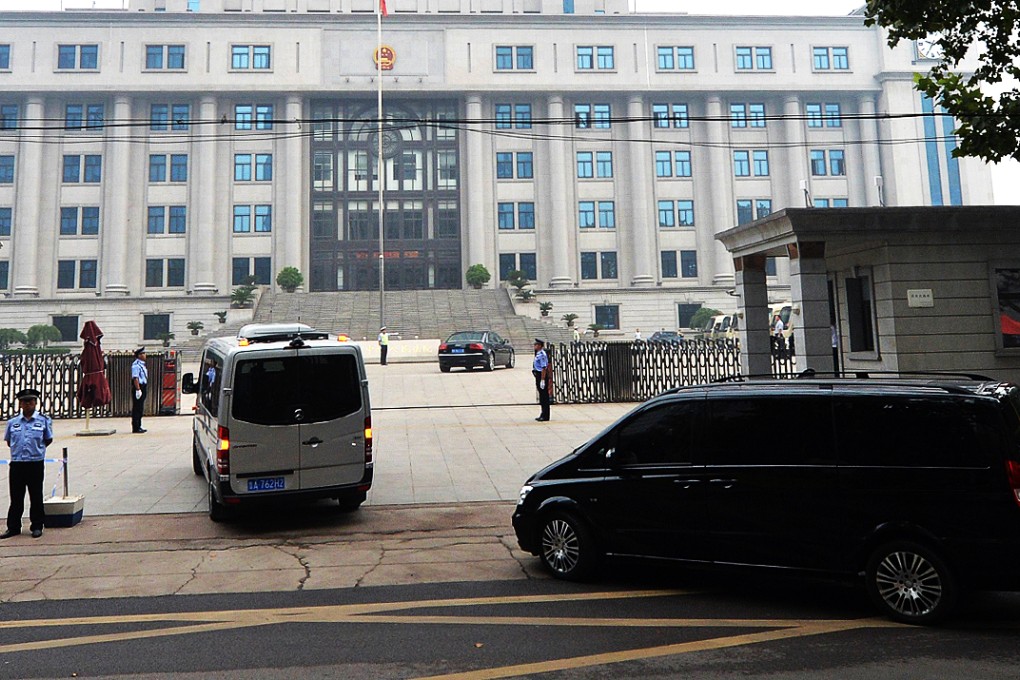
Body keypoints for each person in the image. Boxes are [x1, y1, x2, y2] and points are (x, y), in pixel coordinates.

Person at [2, 388, 53, 539]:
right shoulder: (13, 422)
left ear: (36, 402)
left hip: (35, 463)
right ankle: (13, 527)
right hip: (17, 464)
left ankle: (37, 526)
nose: (28, 404)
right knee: (16, 497)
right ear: (20, 404)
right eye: (24, 401)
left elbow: (47, 439)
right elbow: (9, 441)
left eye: (31, 401)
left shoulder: (43, 420)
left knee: (36, 496)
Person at [532, 338, 551, 422]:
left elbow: (543, 368)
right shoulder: (538, 353)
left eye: (536, 345)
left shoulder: (542, 354)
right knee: (542, 396)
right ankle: (543, 413)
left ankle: (545, 415)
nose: (534, 346)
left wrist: (542, 380)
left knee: (544, 397)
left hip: (541, 375)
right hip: (538, 375)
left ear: (539, 346)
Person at [131, 347, 148, 434]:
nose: (145, 355)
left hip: (143, 386)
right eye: (143, 354)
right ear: (139, 355)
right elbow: (135, 378)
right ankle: (136, 427)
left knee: (140, 407)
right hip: (139, 387)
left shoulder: (142, 364)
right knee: (137, 408)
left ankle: (139, 425)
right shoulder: (136, 365)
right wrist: (138, 389)